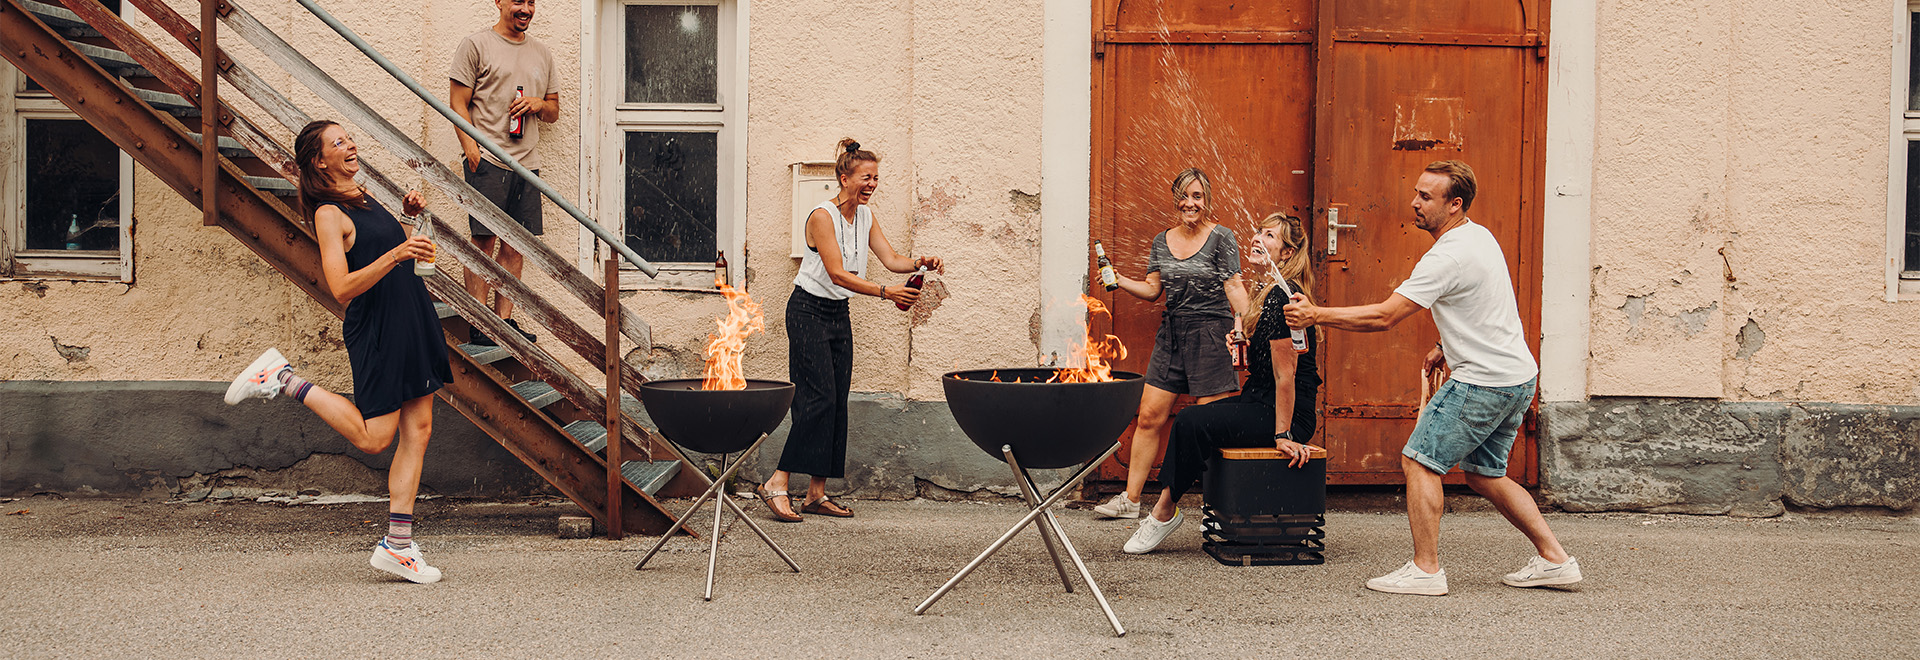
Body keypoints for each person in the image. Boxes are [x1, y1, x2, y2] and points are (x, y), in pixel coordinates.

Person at [1284, 160, 1581, 596]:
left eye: (1426, 196)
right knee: (1485, 473)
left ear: (1455, 204)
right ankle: (1555, 560)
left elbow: (1386, 316)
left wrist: (1316, 315)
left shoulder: (1446, 255)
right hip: (1517, 377)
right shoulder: (1478, 237)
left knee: (1420, 460)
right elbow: (1481, 302)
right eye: (1417, 192)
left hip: (1482, 382)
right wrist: (1445, 345)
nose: (1414, 203)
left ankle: (1426, 571)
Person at [224, 120, 453, 584]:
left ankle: (398, 548)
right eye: (338, 143)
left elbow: (383, 250)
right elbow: (342, 286)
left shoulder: (360, 196)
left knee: (420, 429)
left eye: (349, 138)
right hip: (380, 328)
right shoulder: (328, 212)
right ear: (318, 160)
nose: (350, 145)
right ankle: (283, 378)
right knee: (374, 438)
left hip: (411, 317)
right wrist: (398, 253)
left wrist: (407, 220)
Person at [757, 138, 942, 522]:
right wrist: (885, 293)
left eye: (876, 177)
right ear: (844, 178)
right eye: (865, 177)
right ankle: (776, 482)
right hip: (807, 311)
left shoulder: (866, 216)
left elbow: (891, 260)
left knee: (837, 401)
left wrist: (920, 263)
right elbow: (838, 273)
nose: (872, 184)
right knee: (817, 399)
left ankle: (815, 494)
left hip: (837, 313)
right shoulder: (822, 216)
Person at [1122, 212, 1322, 554]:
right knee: (1200, 421)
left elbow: (1286, 376)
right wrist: (1245, 345)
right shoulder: (1269, 292)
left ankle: (1163, 512)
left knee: (1190, 421)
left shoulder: (1283, 299)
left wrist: (1283, 435)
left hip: (1284, 415)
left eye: (1270, 236)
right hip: (1260, 402)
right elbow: (1269, 365)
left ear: (1287, 253)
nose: (1258, 239)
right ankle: (1198, 508)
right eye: (1259, 231)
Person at [1091, 167, 1251, 519]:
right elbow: (1153, 290)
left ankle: (1220, 505)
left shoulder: (1222, 237)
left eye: (1197, 196)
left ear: (1207, 200)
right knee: (1148, 416)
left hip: (1212, 334)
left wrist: (1246, 323)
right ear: (1175, 199)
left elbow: (1234, 286)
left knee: (1211, 424)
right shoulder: (1162, 240)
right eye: (1184, 195)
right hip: (1172, 335)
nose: (1190, 202)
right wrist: (1118, 279)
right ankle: (1131, 501)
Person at [449, 0, 558, 346]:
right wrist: (471, 148)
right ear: (499, 2)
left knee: (516, 244)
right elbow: (457, 102)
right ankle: (479, 322)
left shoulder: (542, 53)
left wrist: (539, 104)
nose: (524, 8)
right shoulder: (476, 45)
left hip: (527, 163)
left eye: (530, 2)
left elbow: (554, 110)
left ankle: (504, 321)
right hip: (489, 160)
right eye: (517, 2)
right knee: (484, 239)